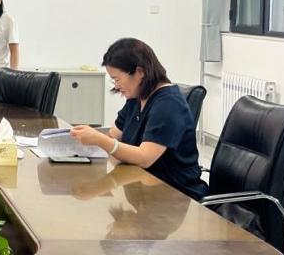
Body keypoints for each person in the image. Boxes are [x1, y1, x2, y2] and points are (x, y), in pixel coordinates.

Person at [70, 38, 207, 201]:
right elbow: (114, 134)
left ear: (140, 72)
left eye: (117, 79)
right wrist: (84, 137)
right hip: (144, 188)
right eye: (113, 80)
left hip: (175, 195)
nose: (116, 85)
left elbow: (145, 158)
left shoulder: (168, 104)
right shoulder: (136, 98)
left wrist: (100, 140)